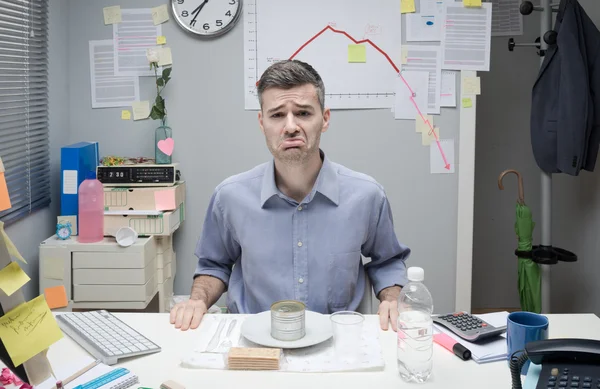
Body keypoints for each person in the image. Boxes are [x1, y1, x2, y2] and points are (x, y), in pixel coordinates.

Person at [170, 59, 410, 332]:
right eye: (277, 115)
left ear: (325, 118)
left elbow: (387, 262)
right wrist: (197, 300)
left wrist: (392, 299)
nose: (291, 126)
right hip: (254, 342)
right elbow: (214, 265)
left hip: (339, 341)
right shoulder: (230, 197)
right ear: (262, 122)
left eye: (304, 113)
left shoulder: (367, 195)